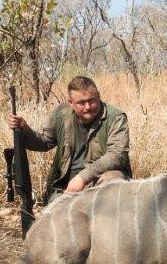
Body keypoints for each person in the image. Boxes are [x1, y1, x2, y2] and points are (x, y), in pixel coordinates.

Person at [7, 76, 131, 204]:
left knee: (112, 179)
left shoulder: (116, 117)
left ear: (98, 96)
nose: (88, 106)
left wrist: (82, 178)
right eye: (81, 103)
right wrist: (25, 129)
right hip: (67, 185)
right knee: (54, 217)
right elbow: (44, 142)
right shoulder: (61, 115)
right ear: (70, 102)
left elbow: (116, 155)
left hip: (98, 179)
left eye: (92, 100)